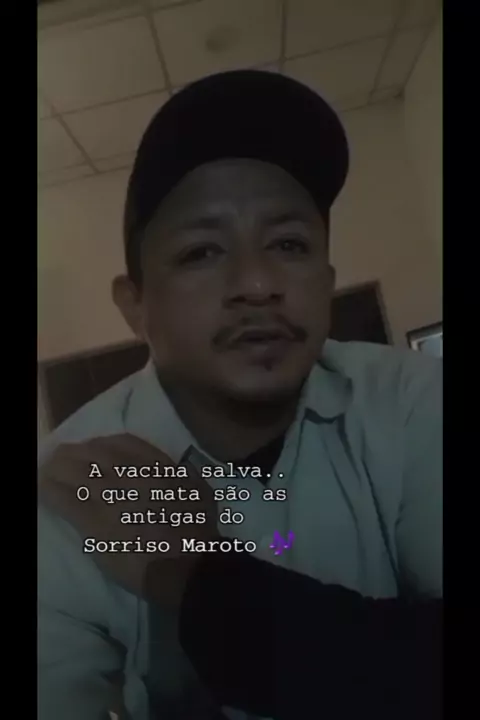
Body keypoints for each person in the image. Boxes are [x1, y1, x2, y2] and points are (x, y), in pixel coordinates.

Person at [38, 70, 442, 720]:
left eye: (289, 244)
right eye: (202, 252)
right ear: (135, 305)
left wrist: (190, 576)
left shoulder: (415, 400)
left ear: (326, 280)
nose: (257, 284)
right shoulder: (69, 489)